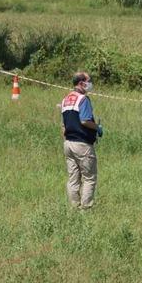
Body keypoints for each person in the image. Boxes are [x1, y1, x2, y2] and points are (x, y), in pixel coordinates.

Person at [60, 71, 102, 210]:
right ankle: (86, 209)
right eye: (88, 81)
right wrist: (97, 127)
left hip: (68, 144)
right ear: (81, 83)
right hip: (82, 144)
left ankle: (74, 207)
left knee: (73, 179)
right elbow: (84, 120)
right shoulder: (83, 99)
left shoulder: (65, 99)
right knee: (89, 178)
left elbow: (63, 126)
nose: (90, 83)